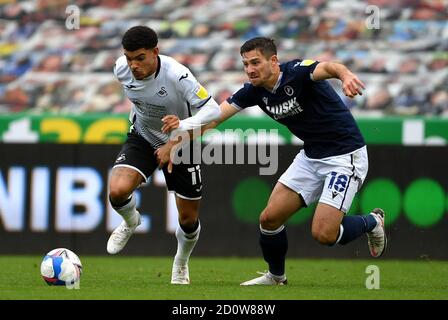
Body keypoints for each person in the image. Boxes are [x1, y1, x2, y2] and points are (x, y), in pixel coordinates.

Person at [158, 37, 387, 286]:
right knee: (269, 219)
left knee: (324, 234)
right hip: (311, 156)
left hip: (345, 155)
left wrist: (346, 76)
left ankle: (372, 221)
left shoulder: (297, 73)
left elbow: (330, 67)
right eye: (245, 64)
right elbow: (213, 120)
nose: (249, 69)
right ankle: (277, 277)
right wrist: (175, 142)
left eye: (255, 62)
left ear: (274, 61)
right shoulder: (253, 91)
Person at [107, 26, 221, 285]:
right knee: (117, 191)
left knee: (188, 219)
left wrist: (182, 125)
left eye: (140, 58)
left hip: (182, 144)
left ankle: (181, 262)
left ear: (155, 52)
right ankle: (131, 220)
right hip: (144, 136)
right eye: (128, 58)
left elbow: (213, 111)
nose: (133, 65)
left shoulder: (178, 75)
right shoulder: (120, 69)